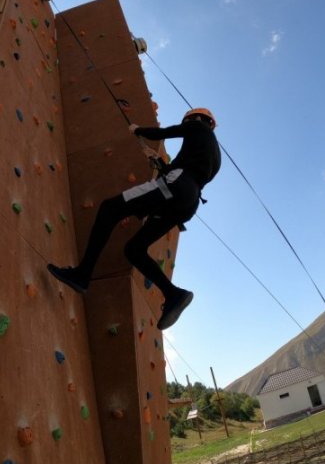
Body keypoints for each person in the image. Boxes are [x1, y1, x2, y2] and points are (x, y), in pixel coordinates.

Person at [47, 107, 221, 330]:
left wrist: (139, 129)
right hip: (188, 202)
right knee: (134, 249)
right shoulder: (214, 155)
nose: (188, 123)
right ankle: (173, 294)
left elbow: (166, 133)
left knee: (110, 208)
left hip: (176, 185)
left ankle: (82, 274)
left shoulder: (197, 127)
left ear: (197, 118)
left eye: (188, 120)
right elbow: (187, 171)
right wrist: (162, 165)